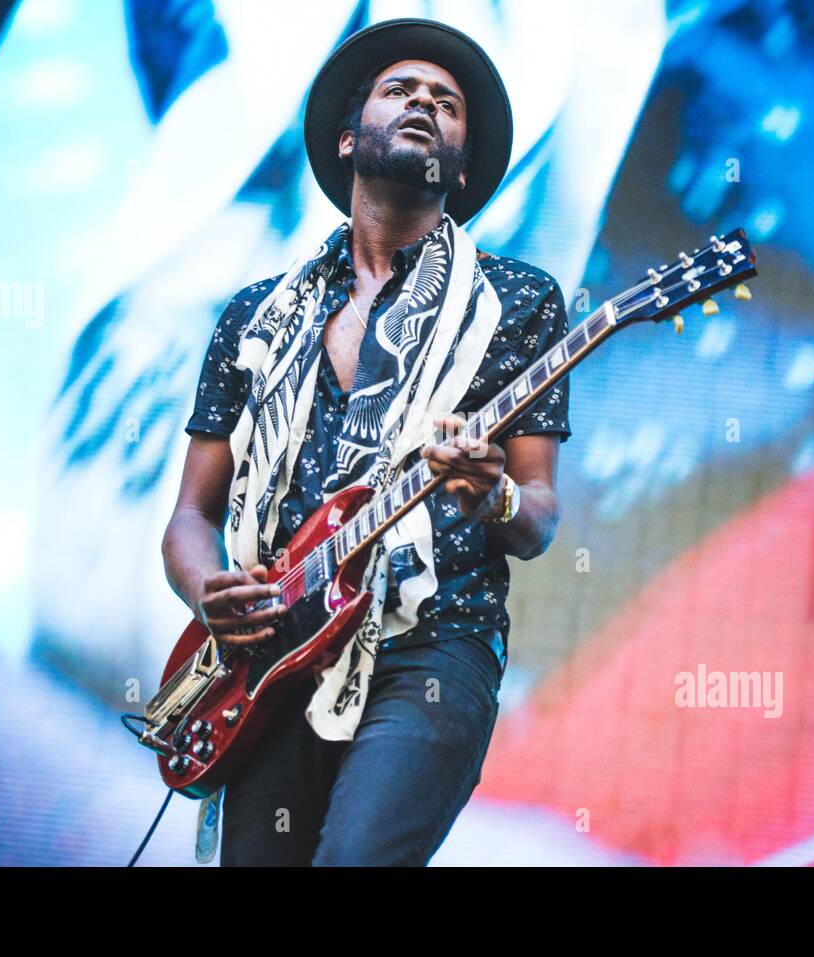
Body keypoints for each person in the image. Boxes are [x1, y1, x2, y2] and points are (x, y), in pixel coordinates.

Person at [161, 17, 571, 865]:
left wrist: (489, 492)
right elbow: (189, 520)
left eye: (447, 104)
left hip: (433, 642)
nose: (425, 101)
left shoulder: (519, 302)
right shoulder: (254, 318)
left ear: (459, 165)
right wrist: (209, 592)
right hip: (276, 658)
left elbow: (535, 518)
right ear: (349, 138)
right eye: (401, 89)